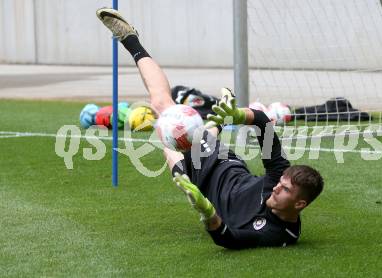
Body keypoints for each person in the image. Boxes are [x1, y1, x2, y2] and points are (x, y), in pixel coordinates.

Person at [96, 8, 324, 249]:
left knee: (169, 146)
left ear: (300, 204)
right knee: (164, 109)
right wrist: (238, 115)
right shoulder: (280, 174)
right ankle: (130, 39)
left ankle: (214, 124)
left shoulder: (279, 234)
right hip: (221, 163)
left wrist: (207, 213)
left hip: (199, 184)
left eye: (285, 189)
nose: (277, 186)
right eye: (281, 183)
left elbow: (229, 239)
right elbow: (261, 122)